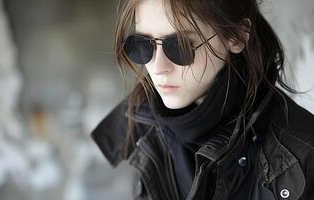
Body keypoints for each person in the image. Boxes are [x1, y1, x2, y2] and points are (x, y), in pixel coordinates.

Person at [91, 0, 314, 199]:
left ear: (236, 36)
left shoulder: (302, 155)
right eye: (143, 45)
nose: (158, 68)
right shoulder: (141, 129)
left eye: (180, 46)